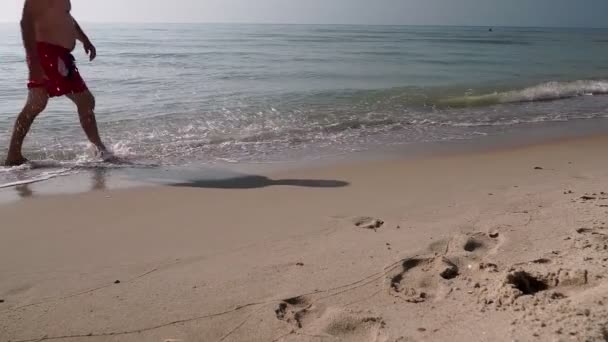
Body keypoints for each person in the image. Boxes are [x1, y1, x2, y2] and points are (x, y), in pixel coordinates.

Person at [5, 0, 111, 166]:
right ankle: (102, 152)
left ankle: (13, 156)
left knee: (40, 103)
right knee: (80, 100)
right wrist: (35, 61)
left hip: (57, 54)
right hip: (47, 53)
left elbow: (65, 16)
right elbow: (26, 23)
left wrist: (85, 40)